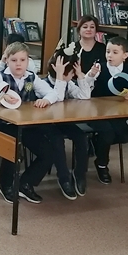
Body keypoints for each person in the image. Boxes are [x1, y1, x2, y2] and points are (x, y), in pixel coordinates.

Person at [0, 42, 68, 203]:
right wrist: (2, 95)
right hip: (5, 124)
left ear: (28, 61)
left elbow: (52, 93)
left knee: (48, 152)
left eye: (22, 60)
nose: (18, 64)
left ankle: (26, 183)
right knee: (13, 149)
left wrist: (46, 100)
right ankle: (5, 183)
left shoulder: (31, 77)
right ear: (7, 61)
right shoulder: (1, 77)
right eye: (14, 60)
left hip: (26, 125)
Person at [87, 36, 128, 185]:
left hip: (117, 111)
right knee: (107, 133)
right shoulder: (99, 67)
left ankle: (95, 142)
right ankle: (102, 164)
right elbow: (85, 85)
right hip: (96, 112)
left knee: (126, 136)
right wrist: (91, 75)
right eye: (108, 51)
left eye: (115, 52)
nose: (110, 55)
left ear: (125, 55)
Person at [43, 45, 96, 198]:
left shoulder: (68, 83)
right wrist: (61, 77)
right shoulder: (44, 84)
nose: (73, 76)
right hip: (46, 124)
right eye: (72, 73)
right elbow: (57, 97)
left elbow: (84, 96)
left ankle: (80, 174)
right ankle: (64, 177)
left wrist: (80, 75)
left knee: (81, 137)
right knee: (57, 141)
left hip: (63, 121)